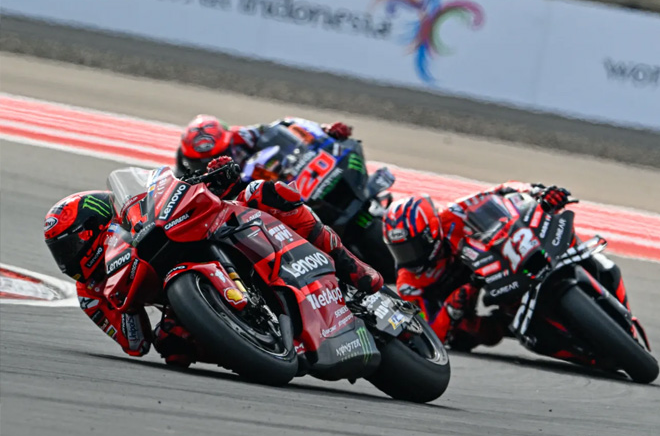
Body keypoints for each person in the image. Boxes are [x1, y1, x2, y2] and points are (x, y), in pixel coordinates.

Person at [44, 157, 383, 367]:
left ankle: (349, 264)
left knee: (267, 193)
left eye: (69, 245)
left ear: (95, 227)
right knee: (172, 346)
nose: (67, 258)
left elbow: (173, 191)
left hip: (215, 228)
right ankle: (254, 342)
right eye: (60, 251)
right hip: (180, 297)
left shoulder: (134, 216)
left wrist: (215, 175)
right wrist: (123, 305)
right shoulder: (90, 293)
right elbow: (135, 344)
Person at [382, 181, 631, 353]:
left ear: (431, 231)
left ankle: (617, 307)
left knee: (602, 263)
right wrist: (452, 308)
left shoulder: (453, 215)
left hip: (502, 268)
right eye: (399, 249)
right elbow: (425, 332)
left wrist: (538, 193)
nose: (408, 256)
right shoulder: (409, 282)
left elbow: (502, 191)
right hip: (467, 303)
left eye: (412, 246)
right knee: (485, 333)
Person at [175, 114, 353, 176]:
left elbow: (285, 126)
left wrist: (324, 131)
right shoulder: (183, 171)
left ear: (228, 142)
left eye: (215, 157)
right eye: (198, 163)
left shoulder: (242, 136)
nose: (211, 165)